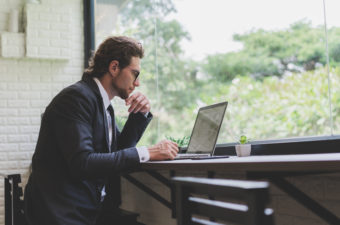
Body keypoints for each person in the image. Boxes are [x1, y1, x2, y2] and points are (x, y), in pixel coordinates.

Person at [24, 36, 179, 225]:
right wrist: (148, 152)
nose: (137, 83)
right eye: (135, 74)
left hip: (87, 209)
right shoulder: (76, 98)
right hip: (61, 213)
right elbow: (83, 162)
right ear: (114, 68)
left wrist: (140, 114)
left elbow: (115, 152)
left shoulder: (103, 105)